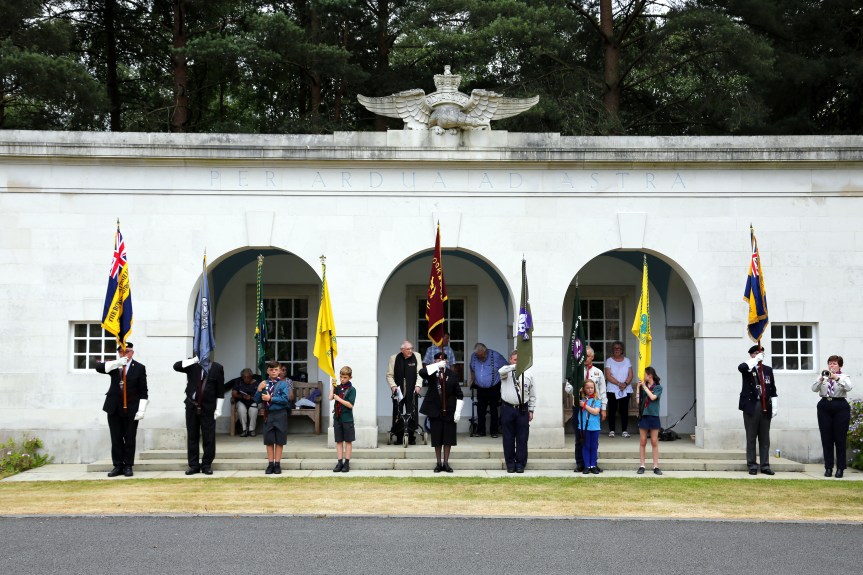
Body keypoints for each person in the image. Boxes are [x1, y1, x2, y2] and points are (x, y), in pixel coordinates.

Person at [94, 343, 149, 478]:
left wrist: (141, 410)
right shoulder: (114, 365)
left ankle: (128, 465)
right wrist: (117, 362)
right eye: (121, 352)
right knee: (116, 438)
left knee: (129, 438)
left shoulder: (139, 368)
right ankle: (117, 465)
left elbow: (143, 391)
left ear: (132, 352)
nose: (124, 354)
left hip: (131, 408)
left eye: (127, 351)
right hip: (114, 407)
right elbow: (99, 368)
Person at [173, 356, 225, 475]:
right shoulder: (191, 365)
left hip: (208, 407)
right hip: (192, 406)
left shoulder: (217, 367)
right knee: (192, 436)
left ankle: (207, 464)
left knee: (209, 437)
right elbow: (176, 366)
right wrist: (193, 360)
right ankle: (193, 465)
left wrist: (219, 408)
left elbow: (220, 390)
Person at [419, 352, 464, 472]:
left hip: (449, 410)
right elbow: (421, 372)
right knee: (437, 438)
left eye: (442, 359)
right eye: (437, 359)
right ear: (434, 361)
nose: (440, 361)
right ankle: (438, 463)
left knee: (448, 438)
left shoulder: (452, 374)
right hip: (435, 410)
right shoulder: (432, 373)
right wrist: (436, 366)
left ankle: (446, 463)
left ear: (447, 362)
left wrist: (458, 411)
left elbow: (459, 394)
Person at [737, 344, 777, 475]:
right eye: (756, 354)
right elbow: (741, 367)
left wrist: (775, 404)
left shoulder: (767, 370)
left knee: (765, 438)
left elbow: (773, 389)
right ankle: (752, 465)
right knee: (751, 437)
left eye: (761, 354)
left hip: (765, 405)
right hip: (752, 405)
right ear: (751, 355)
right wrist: (754, 361)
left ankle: (765, 465)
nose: (759, 356)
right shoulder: (748, 368)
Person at [565, 346, 607, 472]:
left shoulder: (598, 372)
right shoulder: (575, 371)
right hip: (579, 407)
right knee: (580, 437)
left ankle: (592, 463)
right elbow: (567, 389)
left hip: (594, 408)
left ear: (592, 357)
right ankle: (580, 463)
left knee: (593, 438)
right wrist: (575, 383)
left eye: (588, 356)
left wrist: (603, 408)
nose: (585, 358)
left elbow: (602, 391)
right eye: (583, 356)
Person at [812, 355, 853, 478]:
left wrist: (836, 378)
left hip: (840, 405)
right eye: (830, 363)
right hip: (825, 405)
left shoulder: (845, 377)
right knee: (826, 439)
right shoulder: (823, 376)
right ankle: (828, 467)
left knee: (840, 439)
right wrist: (820, 380)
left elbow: (849, 387)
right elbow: (813, 389)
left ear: (840, 365)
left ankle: (840, 468)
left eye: (834, 363)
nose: (831, 365)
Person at [498, 349, 536, 473]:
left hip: (522, 409)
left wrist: (531, 410)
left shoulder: (529, 374)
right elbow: (500, 371)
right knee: (508, 438)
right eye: (515, 360)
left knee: (522, 438)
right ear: (511, 360)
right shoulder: (506, 372)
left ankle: (520, 463)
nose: (517, 362)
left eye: (520, 361)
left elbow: (532, 394)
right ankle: (510, 463)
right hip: (508, 408)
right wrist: (514, 367)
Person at [254, 360, 293, 474]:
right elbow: (256, 400)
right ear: (267, 371)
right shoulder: (264, 383)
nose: (273, 372)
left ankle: (277, 464)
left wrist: (271, 398)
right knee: (269, 440)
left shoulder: (283, 384)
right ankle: (270, 464)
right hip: (268, 414)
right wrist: (259, 389)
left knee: (279, 440)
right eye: (271, 370)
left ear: (279, 371)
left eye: (276, 370)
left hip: (280, 414)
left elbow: (285, 400)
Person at [386, 340, 423, 445]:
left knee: (412, 413)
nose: (410, 351)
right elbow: (389, 375)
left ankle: (411, 436)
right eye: (408, 349)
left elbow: (419, 373)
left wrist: (418, 385)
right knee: (397, 412)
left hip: (412, 390)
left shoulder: (417, 356)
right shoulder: (394, 358)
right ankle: (398, 436)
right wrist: (393, 386)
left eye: (411, 348)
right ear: (402, 350)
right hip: (398, 390)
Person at [469, 343, 507, 438]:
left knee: (494, 409)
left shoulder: (496, 356)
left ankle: (494, 431)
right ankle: (481, 431)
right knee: (480, 410)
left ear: (484, 352)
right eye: (478, 356)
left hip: (494, 387)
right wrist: (472, 379)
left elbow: (506, 367)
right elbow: (471, 368)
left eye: (480, 356)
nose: (479, 358)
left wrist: (503, 381)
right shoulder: (474, 357)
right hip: (480, 388)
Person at [636, 366, 664, 475]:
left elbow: (653, 397)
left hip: (654, 416)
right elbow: (638, 402)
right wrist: (639, 388)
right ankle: (642, 465)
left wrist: (645, 387)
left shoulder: (658, 387)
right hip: (644, 416)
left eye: (645, 374)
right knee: (643, 441)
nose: (643, 376)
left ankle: (655, 466)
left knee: (654, 441)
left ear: (650, 375)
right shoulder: (643, 387)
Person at [604, 340, 634, 438]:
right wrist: (618, 383)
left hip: (625, 389)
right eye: (615, 348)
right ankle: (612, 430)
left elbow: (631, 374)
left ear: (622, 350)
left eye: (619, 348)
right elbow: (608, 375)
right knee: (612, 410)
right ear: (613, 350)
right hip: (612, 389)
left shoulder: (627, 360)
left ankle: (624, 430)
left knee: (624, 410)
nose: (617, 350)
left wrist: (625, 384)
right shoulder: (609, 360)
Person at [331, 366, 357, 473]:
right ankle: (339, 462)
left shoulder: (352, 390)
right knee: (339, 441)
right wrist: (332, 386)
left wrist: (338, 399)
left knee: (348, 441)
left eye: (345, 377)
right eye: (341, 377)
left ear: (350, 378)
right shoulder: (337, 387)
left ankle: (347, 463)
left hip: (347, 419)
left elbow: (350, 405)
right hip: (337, 418)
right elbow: (329, 397)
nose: (342, 379)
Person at [577, 379, 603, 474]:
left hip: (595, 427)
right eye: (587, 388)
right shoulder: (581, 399)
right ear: (584, 389)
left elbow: (596, 412)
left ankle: (593, 465)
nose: (590, 389)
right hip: (584, 427)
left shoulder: (596, 400)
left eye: (592, 388)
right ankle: (587, 466)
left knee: (594, 446)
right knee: (586, 446)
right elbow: (573, 403)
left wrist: (585, 405)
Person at [231, 368, 261, 437]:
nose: (246, 379)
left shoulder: (257, 383)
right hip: (242, 401)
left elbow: (260, 396)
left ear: (251, 376)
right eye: (244, 377)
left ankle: (251, 430)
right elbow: (234, 394)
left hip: (253, 401)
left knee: (253, 410)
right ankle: (244, 430)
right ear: (242, 377)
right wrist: (242, 396)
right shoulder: (239, 382)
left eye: (248, 377)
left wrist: (251, 397)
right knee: (241, 410)